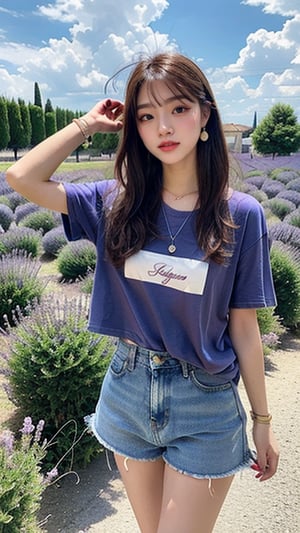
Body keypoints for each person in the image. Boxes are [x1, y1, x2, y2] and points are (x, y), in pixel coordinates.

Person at [6, 52, 279, 533]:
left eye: (177, 109)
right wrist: (87, 124)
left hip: (206, 402)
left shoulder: (241, 214)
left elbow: (244, 325)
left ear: (204, 115)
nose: (164, 127)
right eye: (147, 116)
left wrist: (262, 419)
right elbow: (21, 178)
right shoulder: (115, 202)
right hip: (127, 391)